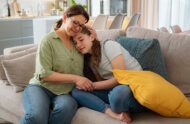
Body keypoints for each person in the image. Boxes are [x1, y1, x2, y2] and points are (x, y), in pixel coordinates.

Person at [20, 5, 95, 124]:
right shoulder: (48, 40)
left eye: (81, 25)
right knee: (37, 117)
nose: (77, 28)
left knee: (67, 107)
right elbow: (44, 74)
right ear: (65, 17)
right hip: (40, 87)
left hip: (65, 92)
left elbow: (95, 51)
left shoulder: (78, 41)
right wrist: (76, 78)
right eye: (75, 23)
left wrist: (93, 36)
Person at [72, 26, 147, 123]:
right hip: (114, 91)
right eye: (75, 43)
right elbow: (102, 84)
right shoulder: (91, 61)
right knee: (76, 91)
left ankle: (122, 108)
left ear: (91, 36)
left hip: (134, 90)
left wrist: (91, 85)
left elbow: (121, 78)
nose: (78, 45)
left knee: (118, 93)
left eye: (81, 39)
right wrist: (86, 86)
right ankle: (113, 113)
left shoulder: (109, 45)